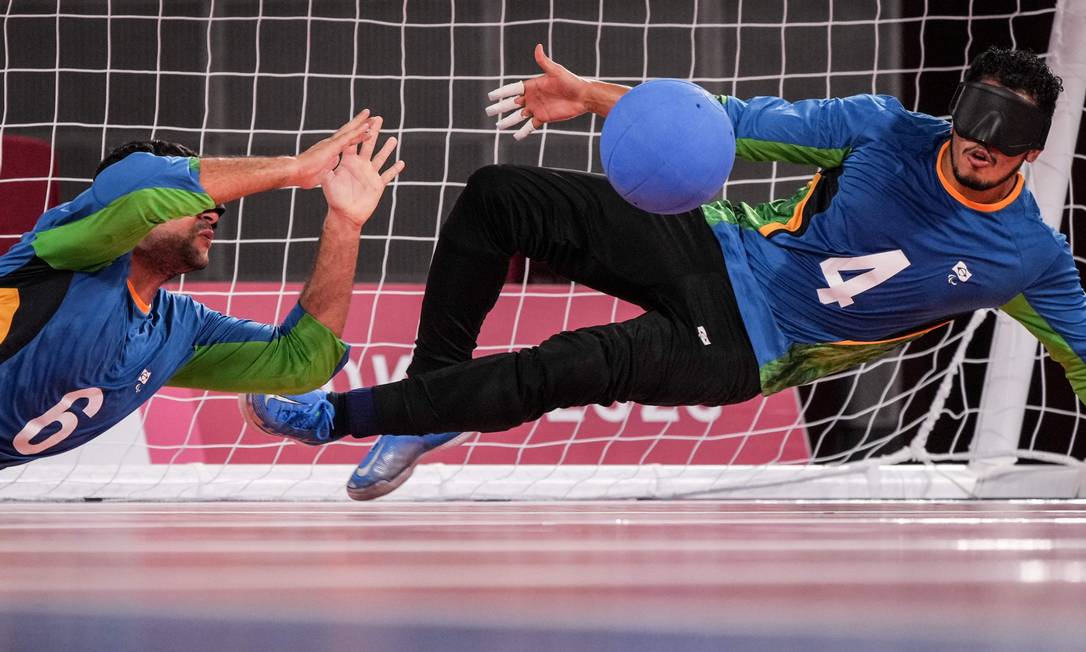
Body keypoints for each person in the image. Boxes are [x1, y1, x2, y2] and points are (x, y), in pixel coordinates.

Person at [245, 45, 1083, 501]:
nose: (979, 142)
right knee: (500, 196)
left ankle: (335, 417)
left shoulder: (1028, 257)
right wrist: (596, 96)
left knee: (571, 364)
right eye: (974, 119)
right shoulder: (882, 129)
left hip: (756, 347)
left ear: (1031, 151)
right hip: (714, 246)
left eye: (1005, 137)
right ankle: (429, 403)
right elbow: (731, 122)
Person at [0, 111, 405, 469]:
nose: (215, 211)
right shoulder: (65, 248)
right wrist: (293, 169)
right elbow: (140, 192)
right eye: (199, 199)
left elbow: (303, 362)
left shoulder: (179, 329)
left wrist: (345, 224)